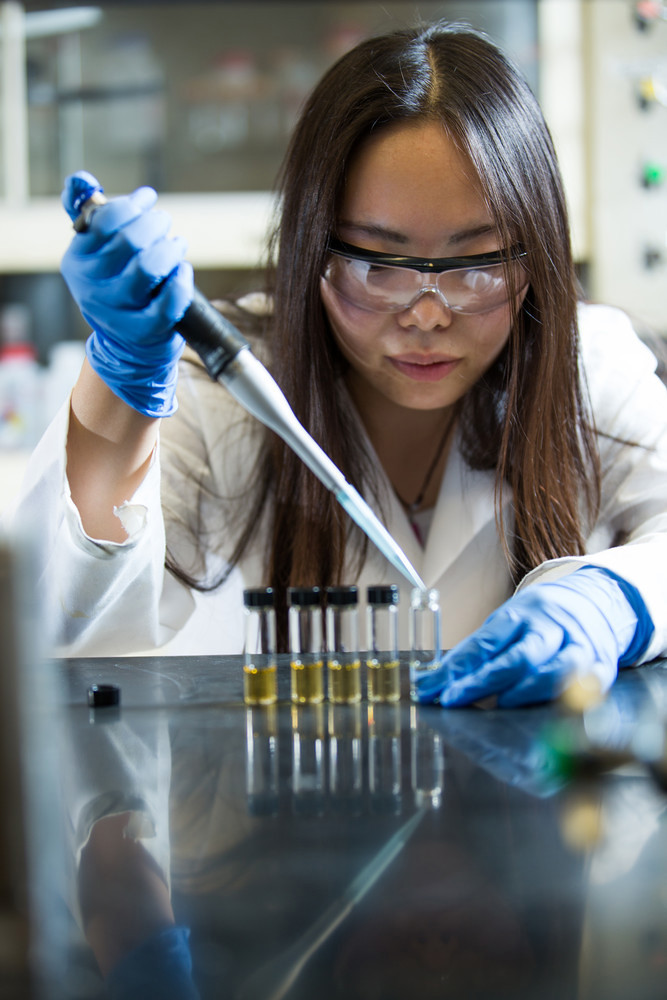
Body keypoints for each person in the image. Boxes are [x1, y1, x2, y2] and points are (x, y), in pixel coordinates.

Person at [5, 21, 667, 707]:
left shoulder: (589, 366)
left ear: (535, 258)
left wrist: (611, 599)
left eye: (475, 263)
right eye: (378, 263)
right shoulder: (219, 387)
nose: (428, 313)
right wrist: (123, 379)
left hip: (530, 803)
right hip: (274, 809)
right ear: (310, 250)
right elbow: (61, 618)